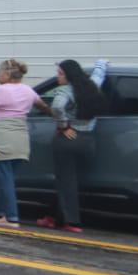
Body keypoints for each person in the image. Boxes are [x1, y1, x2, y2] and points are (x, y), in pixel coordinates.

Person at [36, 59, 104, 233]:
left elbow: (57, 107)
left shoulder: (65, 91)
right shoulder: (92, 87)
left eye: (60, 74)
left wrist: (64, 126)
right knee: (68, 180)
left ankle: (72, 222)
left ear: (69, 75)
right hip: (88, 140)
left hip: (68, 139)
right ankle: (52, 217)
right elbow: (99, 75)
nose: (58, 77)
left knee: (66, 181)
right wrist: (102, 63)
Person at [0, 59, 50, 228]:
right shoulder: (28, 90)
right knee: (8, 177)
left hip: (2, 136)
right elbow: (43, 106)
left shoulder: (0, 90)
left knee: (4, 179)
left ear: (6, 74)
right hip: (20, 136)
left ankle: (12, 217)